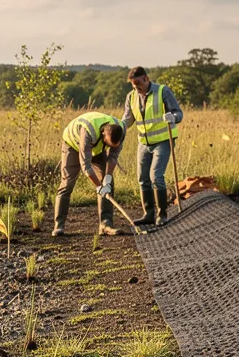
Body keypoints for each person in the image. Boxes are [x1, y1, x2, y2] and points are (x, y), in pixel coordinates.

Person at [121, 66, 185, 226]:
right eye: (133, 86)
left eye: (138, 85)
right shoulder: (131, 96)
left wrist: (173, 117)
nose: (137, 88)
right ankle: (148, 214)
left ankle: (162, 215)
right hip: (143, 143)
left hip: (163, 141)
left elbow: (179, 113)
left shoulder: (163, 91)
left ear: (146, 79)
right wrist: (118, 126)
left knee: (156, 176)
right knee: (143, 179)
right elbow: (128, 119)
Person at [52, 112, 125, 236]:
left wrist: (106, 179)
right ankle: (59, 226)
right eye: (108, 144)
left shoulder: (121, 129)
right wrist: (99, 186)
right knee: (67, 183)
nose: (110, 147)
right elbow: (86, 165)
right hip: (73, 144)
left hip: (97, 147)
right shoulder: (88, 132)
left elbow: (112, 157)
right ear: (103, 135)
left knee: (108, 182)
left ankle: (106, 225)